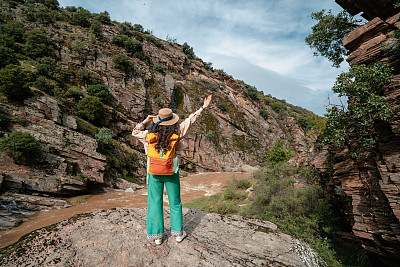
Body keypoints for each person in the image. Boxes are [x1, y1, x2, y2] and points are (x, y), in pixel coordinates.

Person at [131, 95, 212, 245]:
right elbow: (189, 121)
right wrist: (202, 108)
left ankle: (157, 236)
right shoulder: (177, 133)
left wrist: (145, 121)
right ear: (172, 121)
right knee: (175, 202)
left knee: (154, 202)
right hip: (171, 172)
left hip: (153, 173)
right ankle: (178, 234)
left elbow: (134, 132)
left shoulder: (148, 136)